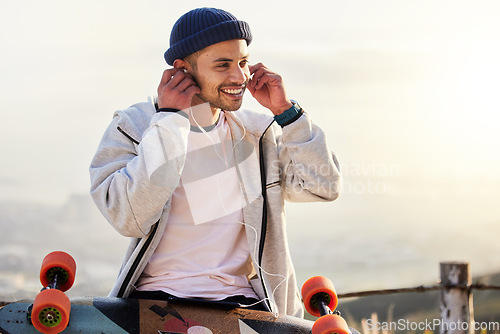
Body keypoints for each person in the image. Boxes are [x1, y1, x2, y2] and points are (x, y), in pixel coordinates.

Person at [89, 7, 341, 318]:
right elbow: (129, 217)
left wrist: (287, 114)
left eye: (243, 62)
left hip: (244, 306)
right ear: (182, 69)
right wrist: (169, 121)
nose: (240, 77)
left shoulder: (258, 133)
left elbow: (323, 186)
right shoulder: (134, 126)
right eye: (223, 65)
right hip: (154, 303)